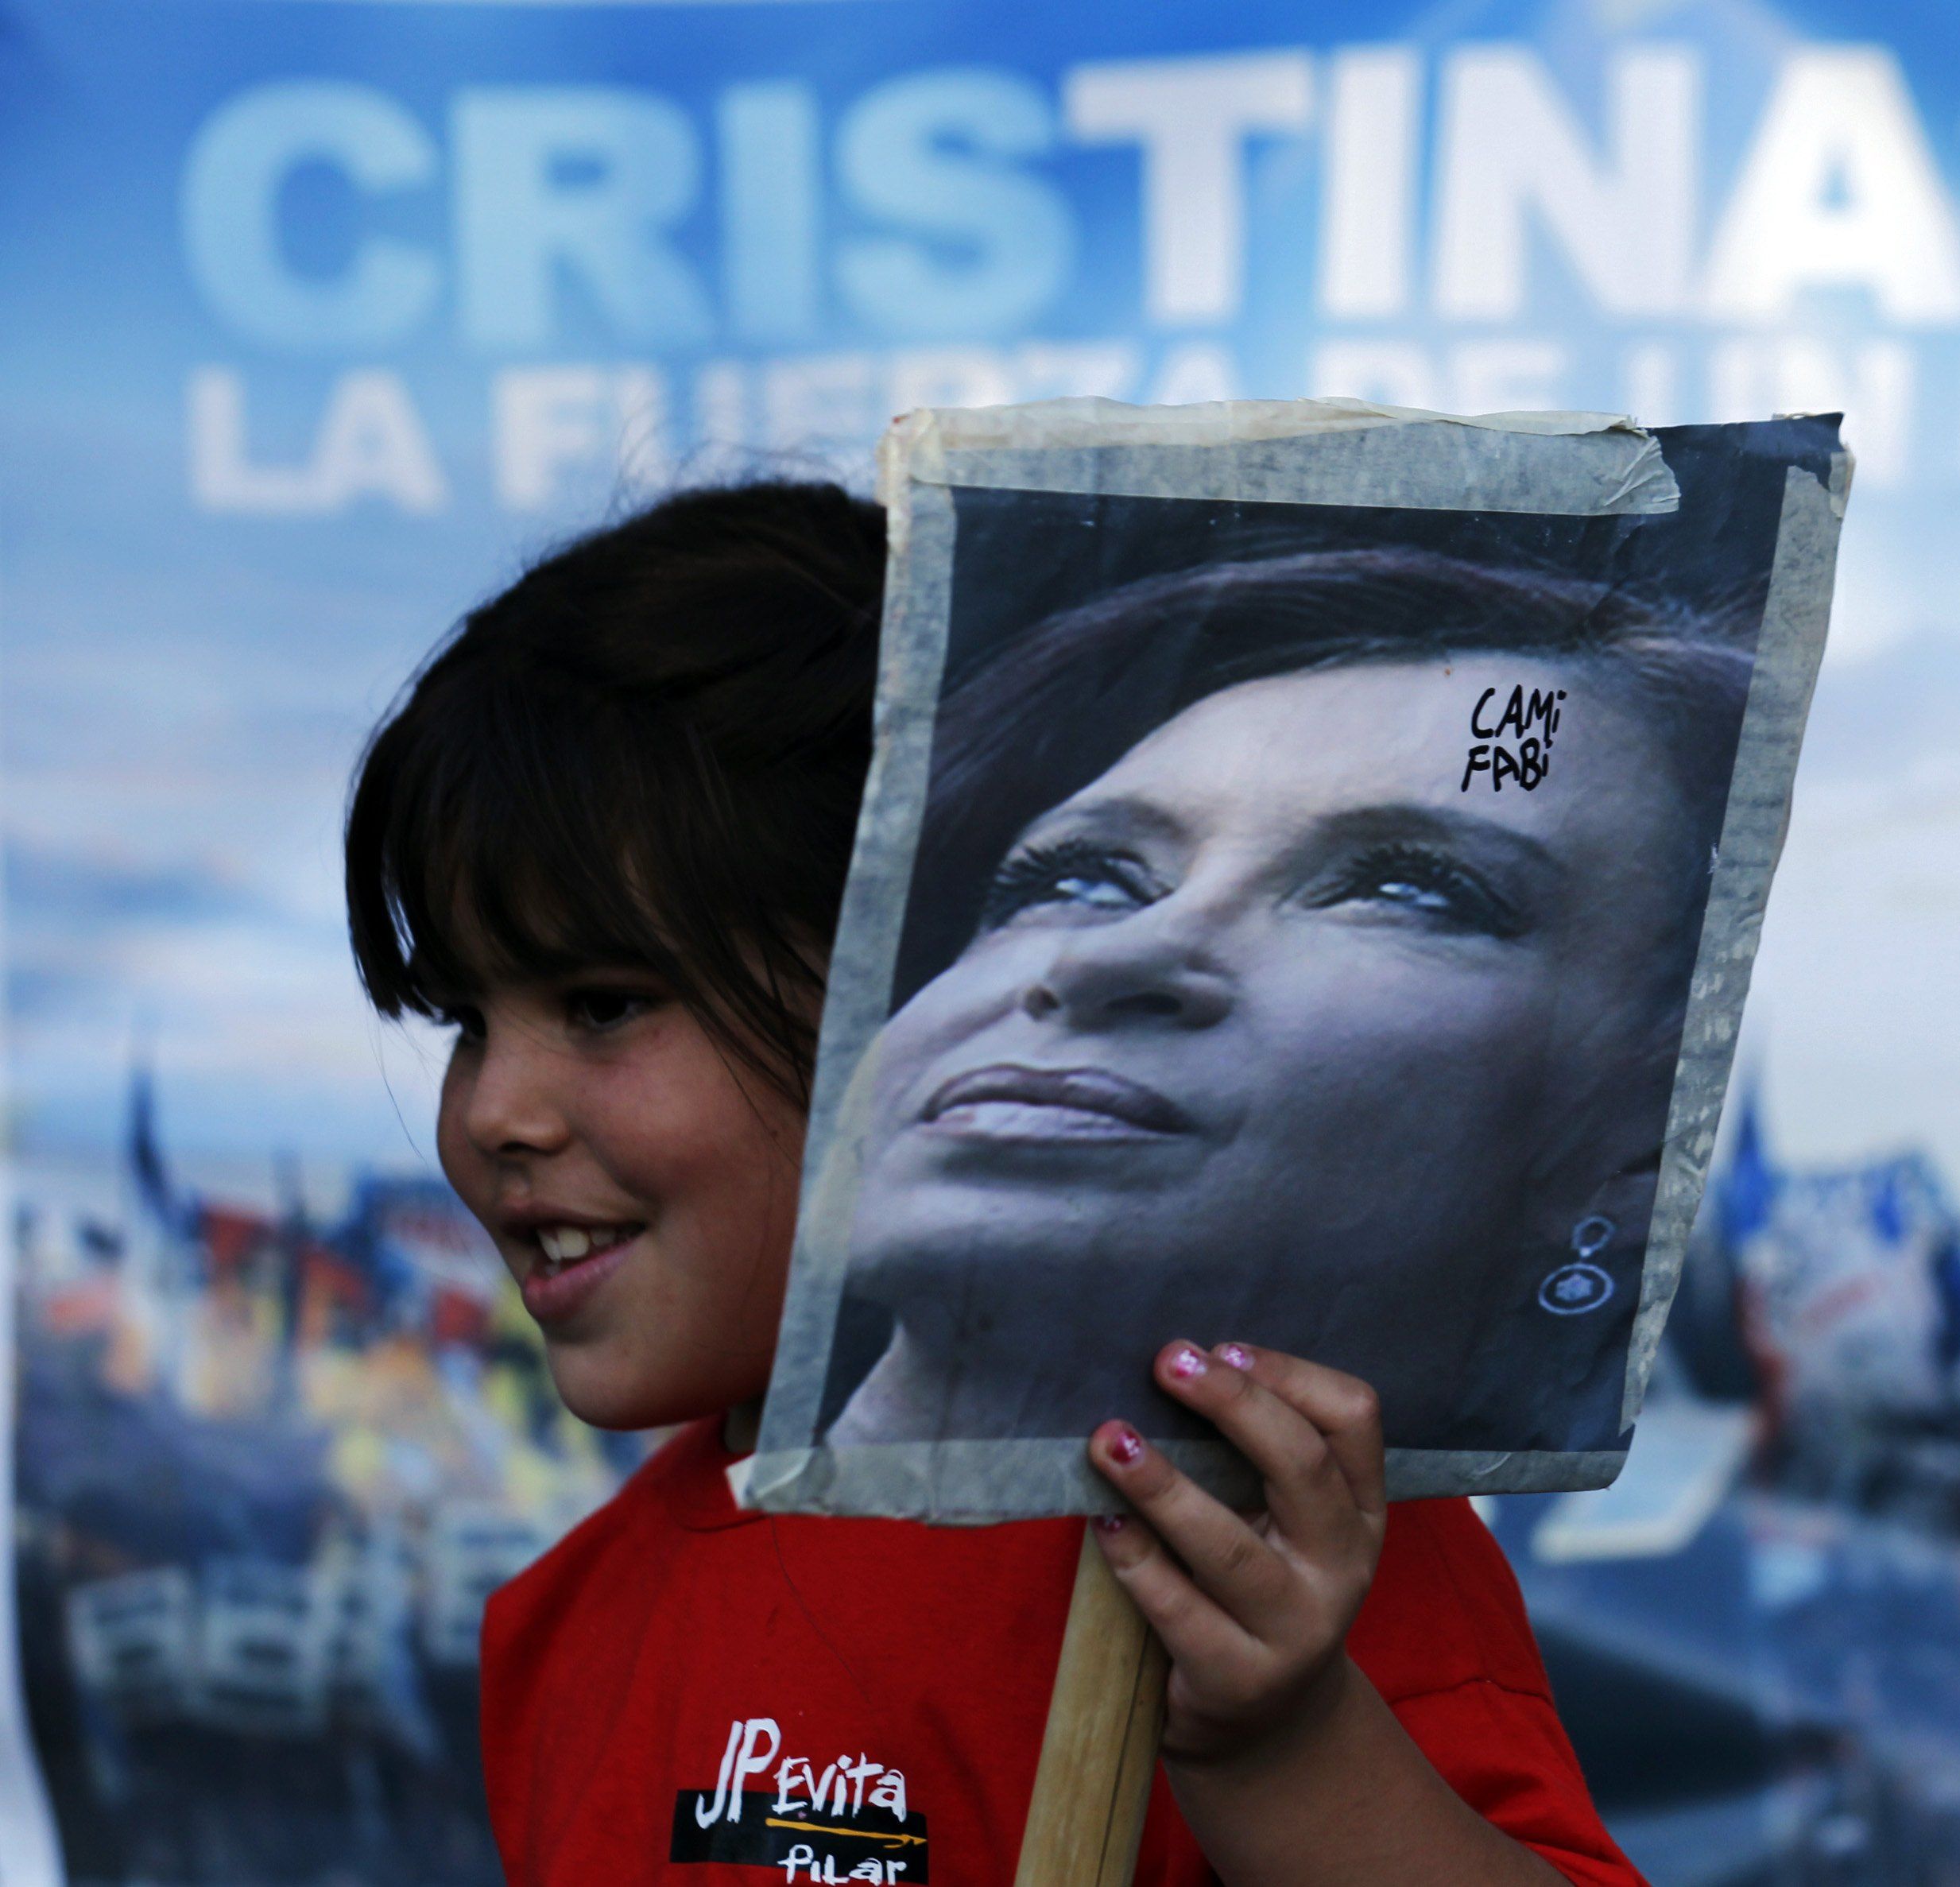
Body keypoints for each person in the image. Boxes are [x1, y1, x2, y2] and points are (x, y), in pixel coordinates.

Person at [343, 482, 1646, 1886]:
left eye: (603, 1003)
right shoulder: (559, 1623)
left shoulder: (1267, 1533)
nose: (493, 1110)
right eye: (465, 1020)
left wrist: (1289, 1749)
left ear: (895, 962)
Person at [825, 549, 1753, 1459]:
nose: (1115, 952)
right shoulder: (683, 1543)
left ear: (1644, 1143)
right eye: (1084, 877)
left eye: (1411, 892)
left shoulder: (1483, 1612)